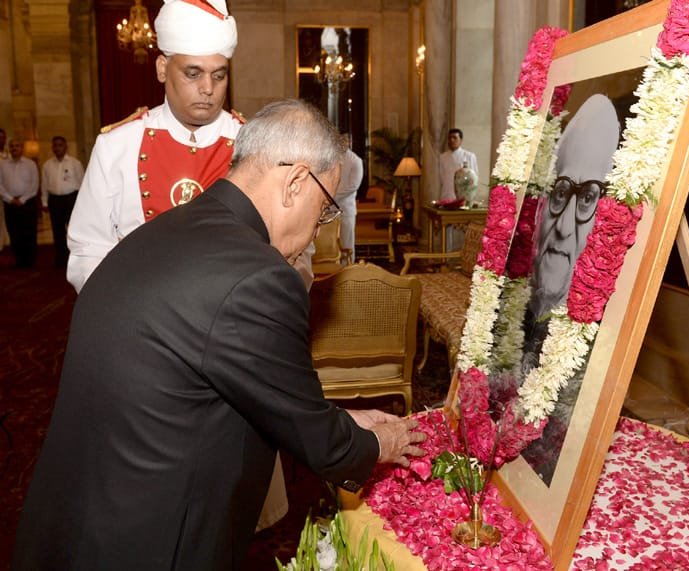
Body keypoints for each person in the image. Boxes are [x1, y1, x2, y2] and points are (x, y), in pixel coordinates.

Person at [11, 99, 426, 571]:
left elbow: (230, 384)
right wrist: (381, 443)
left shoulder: (166, 229)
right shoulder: (259, 275)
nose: (316, 232)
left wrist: (338, 417)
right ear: (295, 182)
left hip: (77, 518)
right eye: (325, 208)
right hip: (149, 540)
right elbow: (323, 448)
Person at [66, 0, 243, 292]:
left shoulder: (253, 145)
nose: (208, 88)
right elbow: (89, 247)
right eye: (193, 73)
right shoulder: (117, 145)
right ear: (162, 69)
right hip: (139, 314)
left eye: (219, 75)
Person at [520, 93, 620, 485]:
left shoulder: (600, 338)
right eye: (561, 193)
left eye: (588, 199)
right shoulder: (518, 309)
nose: (563, 227)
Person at [41, 136, 85, 267]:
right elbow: (44, 184)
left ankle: (76, 256)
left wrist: (82, 202)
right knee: (57, 230)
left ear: (66, 147)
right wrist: (44, 201)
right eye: (55, 145)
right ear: (52, 148)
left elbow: (83, 183)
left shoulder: (75, 163)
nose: (57, 148)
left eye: (60, 145)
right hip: (55, 200)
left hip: (71, 199)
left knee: (73, 230)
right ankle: (61, 257)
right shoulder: (47, 165)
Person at [0, 138, 40, 268]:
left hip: (27, 203)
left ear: (22, 148)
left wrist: (22, 199)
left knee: (29, 231)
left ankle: (30, 260)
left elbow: (35, 184)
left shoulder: (30, 164)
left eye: (17, 146)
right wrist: (9, 198)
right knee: (14, 232)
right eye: (12, 146)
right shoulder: (3, 165)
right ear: (9, 148)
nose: (14, 148)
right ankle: (19, 259)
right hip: (10, 203)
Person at [336, 133, 363, 255]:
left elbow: (352, 187)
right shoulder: (332, 158)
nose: (342, 142)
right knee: (332, 246)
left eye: (345, 140)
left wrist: (331, 197)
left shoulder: (355, 161)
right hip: (329, 211)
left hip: (346, 210)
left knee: (346, 244)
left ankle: (348, 271)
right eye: (339, 139)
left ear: (349, 141)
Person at [438, 128, 478, 202]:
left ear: (461, 140)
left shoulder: (469, 156)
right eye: (450, 138)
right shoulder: (443, 157)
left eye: (455, 138)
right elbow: (442, 176)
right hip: (446, 194)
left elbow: (474, 179)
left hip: (463, 195)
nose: (452, 140)